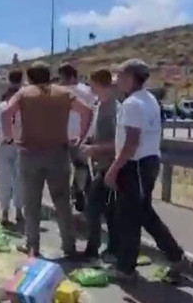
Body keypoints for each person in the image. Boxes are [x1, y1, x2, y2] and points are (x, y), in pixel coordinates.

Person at [1, 62, 92, 258]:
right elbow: (87, 111)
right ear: (49, 75)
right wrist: (81, 137)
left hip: (30, 153)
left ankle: (32, 246)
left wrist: (10, 138)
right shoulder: (63, 93)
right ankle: (69, 246)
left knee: (32, 202)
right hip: (58, 153)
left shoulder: (24, 94)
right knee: (62, 202)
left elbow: (5, 113)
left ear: (30, 77)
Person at [106, 59, 185, 280]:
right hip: (145, 163)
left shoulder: (133, 104)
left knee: (133, 217)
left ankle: (128, 267)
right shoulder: (148, 99)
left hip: (136, 166)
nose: (117, 81)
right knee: (139, 214)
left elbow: (131, 142)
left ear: (131, 77)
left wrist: (114, 169)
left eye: (120, 76)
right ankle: (172, 256)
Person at [79, 69, 120, 264]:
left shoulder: (114, 110)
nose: (89, 87)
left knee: (95, 209)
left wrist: (93, 149)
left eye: (91, 83)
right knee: (106, 211)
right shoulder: (99, 106)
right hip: (99, 165)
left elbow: (118, 142)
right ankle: (107, 249)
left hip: (110, 167)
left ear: (98, 84)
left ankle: (95, 249)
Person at [58, 63, 96, 212]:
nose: (62, 81)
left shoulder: (63, 91)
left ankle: (77, 195)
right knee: (81, 168)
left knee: (73, 168)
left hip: (69, 136)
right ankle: (81, 195)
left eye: (63, 78)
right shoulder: (88, 91)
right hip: (82, 135)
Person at [0, 86, 23, 226]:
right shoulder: (0, 107)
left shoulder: (24, 108)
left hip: (20, 147)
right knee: (5, 180)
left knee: (20, 181)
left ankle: (19, 211)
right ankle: (5, 212)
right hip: (4, 146)